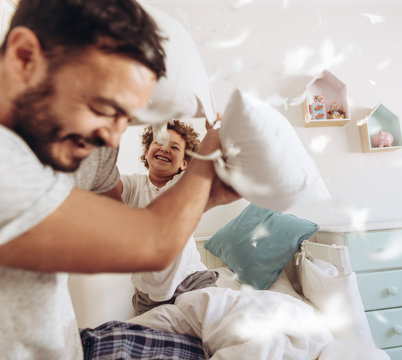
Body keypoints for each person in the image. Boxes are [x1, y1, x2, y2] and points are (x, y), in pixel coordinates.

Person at [0, 1, 238, 359]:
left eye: (125, 119)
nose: (113, 138)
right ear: (24, 57)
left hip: (73, 344)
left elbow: (117, 212)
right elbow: (154, 242)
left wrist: (210, 188)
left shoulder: (79, 146)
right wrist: (207, 158)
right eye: (104, 109)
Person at [119, 120, 218, 315]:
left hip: (191, 281)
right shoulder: (133, 185)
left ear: (184, 163)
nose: (165, 149)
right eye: (159, 142)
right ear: (147, 151)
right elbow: (107, 184)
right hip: (148, 295)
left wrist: (213, 134)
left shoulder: (182, 185)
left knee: (211, 323)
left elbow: (207, 166)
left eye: (174, 147)